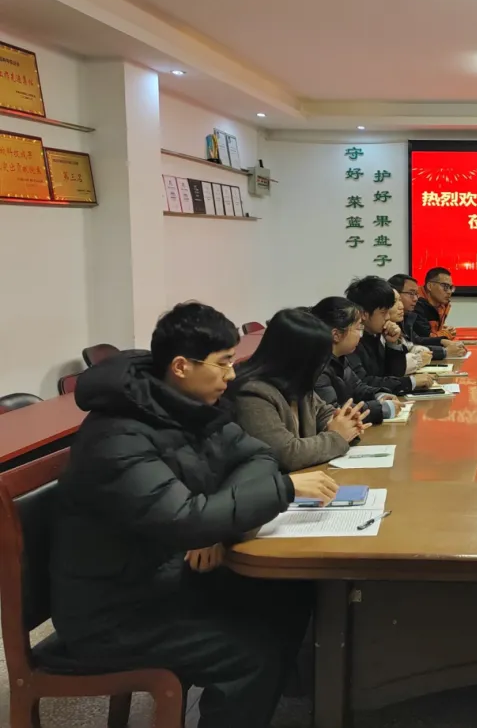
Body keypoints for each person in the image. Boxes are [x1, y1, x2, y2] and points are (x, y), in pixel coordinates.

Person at [50, 302, 339, 728]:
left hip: (162, 574)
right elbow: (185, 520)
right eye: (223, 363)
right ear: (182, 366)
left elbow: (257, 455)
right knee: (251, 655)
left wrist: (215, 522)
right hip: (113, 612)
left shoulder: (186, 405)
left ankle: (293, 701)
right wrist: (283, 489)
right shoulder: (118, 434)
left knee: (290, 593)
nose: (232, 376)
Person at [232, 308, 371, 471]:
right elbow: (286, 455)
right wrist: (337, 436)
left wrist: (345, 422)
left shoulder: (295, 382)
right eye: (318, 360)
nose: (321, 366)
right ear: (298, 358)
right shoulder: (252, 393)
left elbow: (323, 413)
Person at [308, 296, 402, 422]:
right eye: (358, 328)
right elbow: (334, 413)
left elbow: (358, 388)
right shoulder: (317, 367)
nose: (360, 335)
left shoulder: (340, 358)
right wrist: (381, 408)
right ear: (336, 335)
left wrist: (379, 395)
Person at [344, 275, 436, 395]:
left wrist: (393, 344)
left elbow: (394, 374)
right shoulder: (351, 340)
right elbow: (363, 382)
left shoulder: (375, 334)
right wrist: (410, 382)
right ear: (364, 314)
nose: (388, 317)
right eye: (383, 313)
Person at [388, 273, 467, 357]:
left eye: (416, 294)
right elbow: (405, 353)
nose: (415, 299)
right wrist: (444, 352)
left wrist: (442, 341)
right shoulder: (385, 325)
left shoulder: (406, 316)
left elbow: (415, 342)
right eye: (411, 293)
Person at [389, 288, 434, 374]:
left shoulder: (396, 325)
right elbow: (393, 368)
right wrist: (419, 359)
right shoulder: (373, 334)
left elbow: (410, 347)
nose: (401, 306)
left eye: (400, 300)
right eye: (394, 302)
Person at [415, 266, 457, 339]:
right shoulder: (415, 304)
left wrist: (444, 331)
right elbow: (423, 339)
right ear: (430, 286)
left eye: (451, 287)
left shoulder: (441, 305)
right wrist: (445, 334)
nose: (449, 292)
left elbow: (430, 332)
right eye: (445, 286)